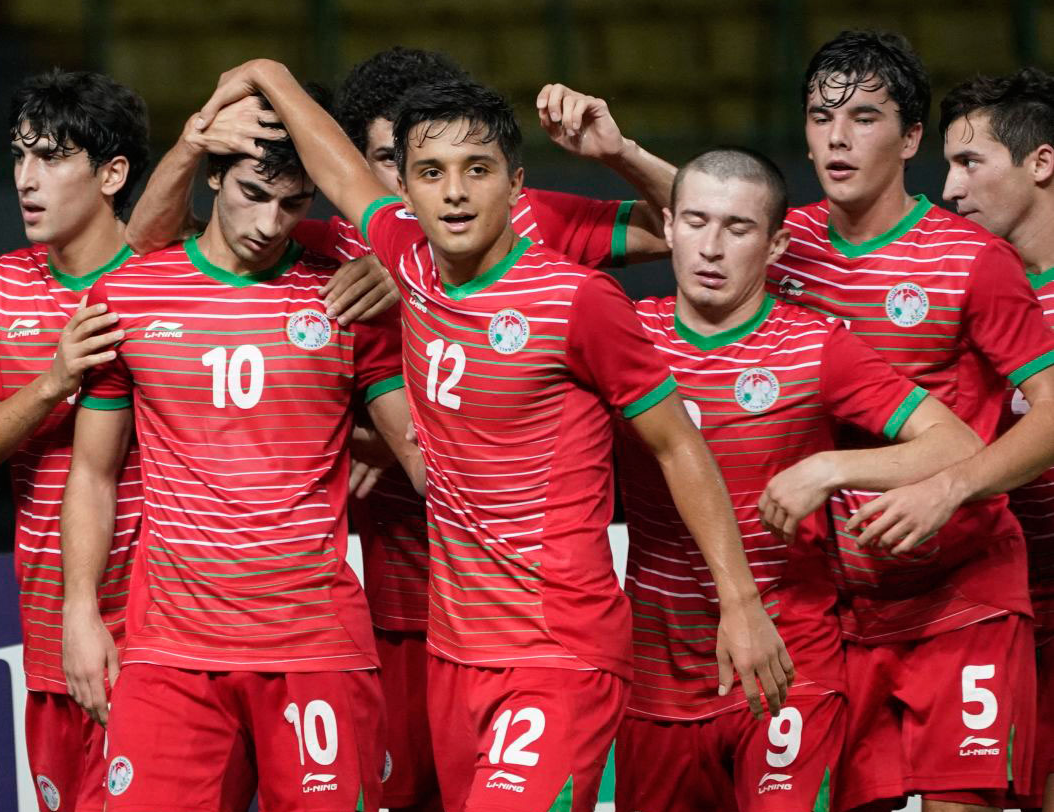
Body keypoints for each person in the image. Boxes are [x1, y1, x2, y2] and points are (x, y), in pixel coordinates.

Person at [193, 60, 791, 812]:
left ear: (515, 184)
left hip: (558, 651)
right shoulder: (406, 259)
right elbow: (338, 169)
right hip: (454, 654)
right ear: (404, 190)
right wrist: (271, 76)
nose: (454, 192)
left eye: (477, 169)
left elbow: (679, 445)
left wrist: (740, 602)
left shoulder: (578, 301)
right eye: (431, 173)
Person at [59, 99, 423, 812]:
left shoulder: (346, 297)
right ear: (214, 176)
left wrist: (419, 288)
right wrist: (81, 612)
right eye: (253, 194)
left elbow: (420, 451)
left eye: (293, 205)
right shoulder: (130, 293)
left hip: (316, 649)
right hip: (171, 654)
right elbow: (93, 473)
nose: (268, 224)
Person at [617, 147, 982, 812]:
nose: (711, 248)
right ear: (667, 226)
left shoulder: (816, 347)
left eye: (738, 228)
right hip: (657, 680)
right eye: (695, 222)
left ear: (777, 244)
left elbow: (954, 443)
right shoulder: (624, 338)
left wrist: (830, 468)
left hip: (790, 667)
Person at [765, 30, 1054, 812]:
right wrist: (620, 154)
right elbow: (703, 217)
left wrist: (949, 487)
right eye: (821, 116)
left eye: (863, 117)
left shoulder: (972, 259)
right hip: (838, 612)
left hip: (963, 596)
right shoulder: (782, 252)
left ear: (910, 137)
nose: (837, 136)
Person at [0, 68, 150, 812]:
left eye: (53, 158)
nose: (26, 180)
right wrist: (53, 381)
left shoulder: (164, 280)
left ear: (111, 175)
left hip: (164, 630)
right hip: (51, 634)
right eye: (19, 155)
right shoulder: (1, 286)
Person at [940, 66, 1054, 812]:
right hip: (995, 603)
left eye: (969, 162)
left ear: (1041, 162)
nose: (950, 189)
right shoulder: (962, 294)